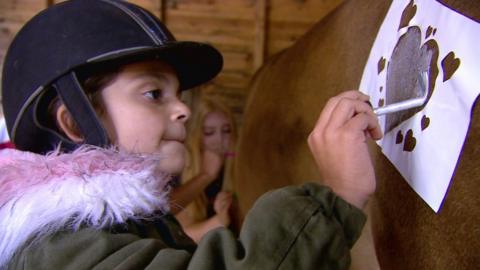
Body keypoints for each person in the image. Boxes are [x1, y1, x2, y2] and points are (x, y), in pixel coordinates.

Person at [0, 1, 382, 269]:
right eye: (154, 94)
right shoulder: (61, 250)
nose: (183, 109)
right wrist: (338, 196)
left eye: (178, 95)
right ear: (77, 124)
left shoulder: (112, 227)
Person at [172, 97, 239, 242]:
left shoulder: (238, 166)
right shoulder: (180, 169)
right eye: (209, 132)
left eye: (226, 131)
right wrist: (219, 221)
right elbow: (182, 234)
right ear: (195, 136)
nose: (219, 140)